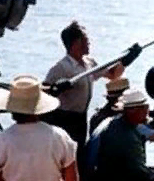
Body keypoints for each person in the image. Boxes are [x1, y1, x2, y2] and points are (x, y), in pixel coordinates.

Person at [43, 21, 140, 157]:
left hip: (81, 119)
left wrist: (126, 60)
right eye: (85, 40)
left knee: (80, 154)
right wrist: (57, 88)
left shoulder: (90, 63)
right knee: (66, 155)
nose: (89, 43)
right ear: (75, 42)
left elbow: (112, 75)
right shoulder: (61, 67)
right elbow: (43, 92)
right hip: (64, 118)